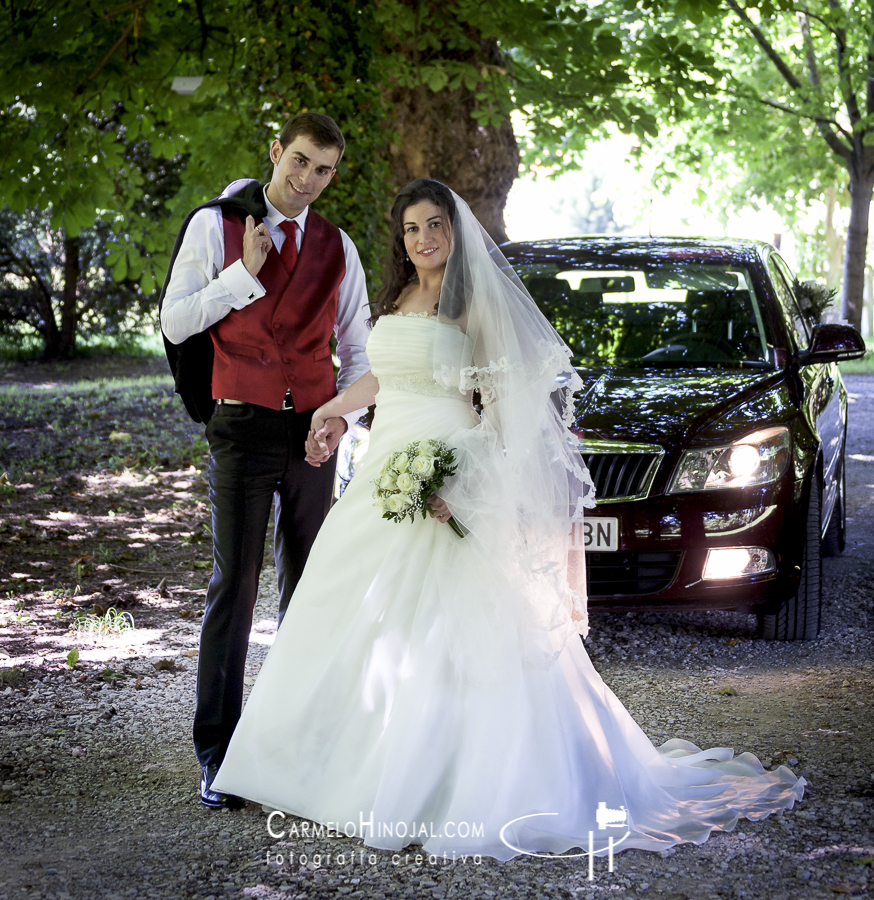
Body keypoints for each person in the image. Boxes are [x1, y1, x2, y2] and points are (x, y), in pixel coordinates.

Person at [212, 179, 804, 858]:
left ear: (457, 233)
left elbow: (503, 413)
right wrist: (334, 410)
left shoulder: (474, 308)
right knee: (352, 617)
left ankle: (445, 785)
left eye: (435, 225)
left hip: (445, 471)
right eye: (411, 229)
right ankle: (331, 771)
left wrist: (464, 486)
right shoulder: (399, 297)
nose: (424, 239)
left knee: (456, 632)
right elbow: (387, 376)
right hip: (383, 475)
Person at [159, 112, 370, 810]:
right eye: (299, 162)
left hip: (312, 433)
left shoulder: (339, 247)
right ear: (276, 152)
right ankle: (218, 756)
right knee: (237, 587)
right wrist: (240, 276)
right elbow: (175, 321)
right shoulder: (214, 226)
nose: (307, 179)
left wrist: (340, 420)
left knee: (310, 591)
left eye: (323, 170)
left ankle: (302, 745)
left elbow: (359, 352)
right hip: (240, 426)